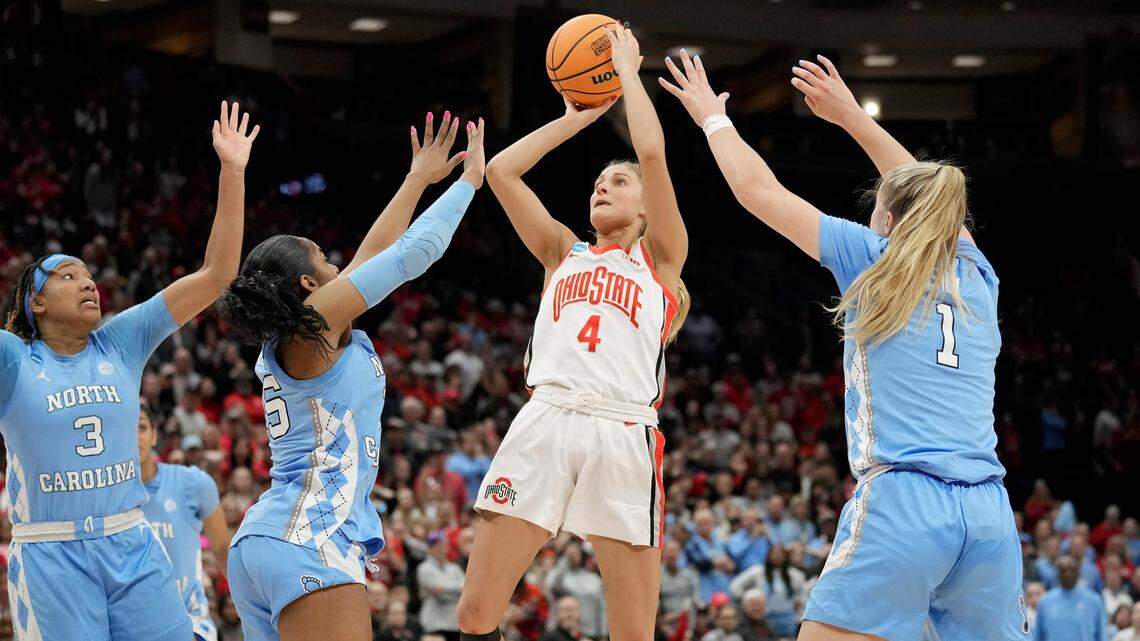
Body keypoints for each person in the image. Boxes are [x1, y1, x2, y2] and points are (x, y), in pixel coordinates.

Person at [659, 52, 1024, 640]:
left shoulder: (875, 261)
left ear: (886, 221)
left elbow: (757, 191)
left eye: (876, 203)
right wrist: (854, 119)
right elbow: (931, 201)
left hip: (907, 500)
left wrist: (711, 118)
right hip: (988, 514)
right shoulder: (977, 276)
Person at [456, 24, 690, 641]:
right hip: (548, 417)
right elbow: (504, 172)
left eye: (617, 182)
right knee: (475, 613)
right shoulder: (563, 252)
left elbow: (654, 155)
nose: (601, 188)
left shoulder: (661, 260)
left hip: (622, 429)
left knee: (633, 630)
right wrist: (578, 116)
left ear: (646, 208)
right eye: (596, 183)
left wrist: (629, 78)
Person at [219, 111, 485, 641]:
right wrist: (470, 184)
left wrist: (415, 180)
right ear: (306, 281)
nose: (338, 264)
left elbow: (376, 255)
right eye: (325, 258)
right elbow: (413, 253)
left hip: (268, 541)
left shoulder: (309, 333)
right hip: (307, 536)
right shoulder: (315, 325)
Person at [0, 101, 258, 641]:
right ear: (35, 304)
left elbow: (217, 274)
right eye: (69, 276)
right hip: (53, 552)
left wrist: (232, 171)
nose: (88, 282)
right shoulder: (13, 359)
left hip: (132, 541)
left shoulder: (121, 340)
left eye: (90, 275)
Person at [138, 404, 231, 641]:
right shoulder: (106, 497)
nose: (133, 437)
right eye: (124, 429)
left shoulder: (193, 483)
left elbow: (222, 550)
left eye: (141, 427)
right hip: (131, 623)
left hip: (189, 622)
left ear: (154, 435)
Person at [1034, 558, 1106, 641]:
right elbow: (1038, 636)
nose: (1068, 575)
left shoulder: (1094, 601)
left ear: (1078, 573)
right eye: (1064, 571)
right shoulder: (1045, 602)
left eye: (1072, 570)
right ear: (1058, 574)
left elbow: (1101, 636)